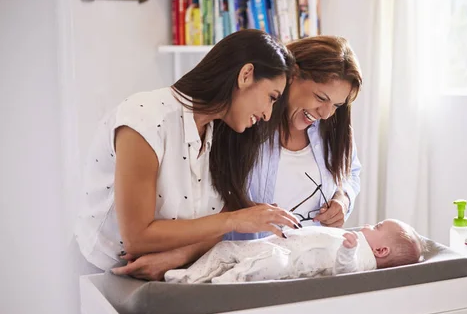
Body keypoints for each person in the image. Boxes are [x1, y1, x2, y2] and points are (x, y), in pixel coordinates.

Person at [73, 29, 302, 280]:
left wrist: (179, 255)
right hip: (97, 275)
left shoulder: (222, 135)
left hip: (163, 277)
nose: (268, 114)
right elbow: (137, 237)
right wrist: (234, 220)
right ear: (246, 75)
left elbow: (211, 226)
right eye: (271, 98)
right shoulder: (145, 119)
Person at [226, 35, 363, 241]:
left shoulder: (334, 131)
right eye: (320, 98)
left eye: (336, 105)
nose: (325, 113)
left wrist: (343, 199)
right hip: (249, 264)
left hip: (312, 263)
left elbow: (351, 172)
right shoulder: (246, 121)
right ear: (293, 75)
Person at [164, 219, 423, 284]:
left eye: (377, 226)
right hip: (275, 243)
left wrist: (347, 251)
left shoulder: (361, 256)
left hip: (287, 261)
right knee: (225, 248)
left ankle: (225, 282)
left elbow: (347, 273)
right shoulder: (358, 239)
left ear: (381, 249)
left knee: (263, 262)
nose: (369, 225)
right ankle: (189, 277)